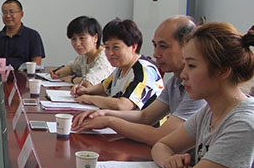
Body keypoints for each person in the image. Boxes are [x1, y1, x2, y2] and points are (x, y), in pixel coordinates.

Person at [152, 22, 254, 168]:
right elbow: (161, 145)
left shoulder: (244, 124)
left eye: (191, 65)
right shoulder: (209, 110)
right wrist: (169, 161)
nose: (183, 75)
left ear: (223, 71)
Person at [73, 16, 206, 145]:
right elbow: (145, 116)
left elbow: (158, 135)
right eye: (155, 45)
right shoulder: (175, 81)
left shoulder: (198, 86)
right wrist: (103, 113)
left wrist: (109, 120)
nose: (155, 54)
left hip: (152, 141)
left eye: (163, 46)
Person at [72, 18, 163, 110]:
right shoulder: (120, 68)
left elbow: (123, 105)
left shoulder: (144, 70)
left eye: (116, 47)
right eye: (107, 47)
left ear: (133, 47)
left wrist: (89, 99)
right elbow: (104, 88)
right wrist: (86, 91)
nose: (110, 53)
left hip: (148, 120)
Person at [50, 16, 112, 86]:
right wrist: (58, 73)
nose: (77, 44)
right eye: (74, 39)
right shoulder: (85, 55)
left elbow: (88, 83)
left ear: (95, 38)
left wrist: (70, 79)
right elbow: (73, 67)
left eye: (82, 38)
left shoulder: (105, 59)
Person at [0, 0, 45, 68]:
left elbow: (36, 64)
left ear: (21, 14)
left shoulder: (33, 36)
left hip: (25, 74)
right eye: (4, 13)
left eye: (11, 12)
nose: (8, 16)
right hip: (1, 74)